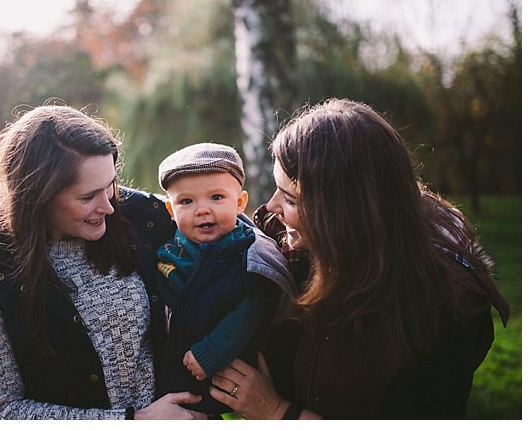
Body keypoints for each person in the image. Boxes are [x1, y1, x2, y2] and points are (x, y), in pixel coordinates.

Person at [209, 98, 510, 419]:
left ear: (341, 214)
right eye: (276, 189)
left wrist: (274, 411)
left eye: (290, 198)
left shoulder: (438, 314)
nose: (270, 207)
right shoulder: (287, 246)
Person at [0, 102, 206, 419]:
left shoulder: (142, 216)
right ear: (37, 196)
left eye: (111, 184)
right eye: (87, 196)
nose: (108, 206)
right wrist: (134, 421)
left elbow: (233, 232)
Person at [154, 143, 296, 416]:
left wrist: (211, 352)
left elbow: (248, 310)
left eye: (216, 197)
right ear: (171, 211)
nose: (202, 210)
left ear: (239, 202)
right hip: (174, 372)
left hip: (220, 372)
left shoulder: (242, 254)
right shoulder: (171, 249)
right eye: (186, 202)